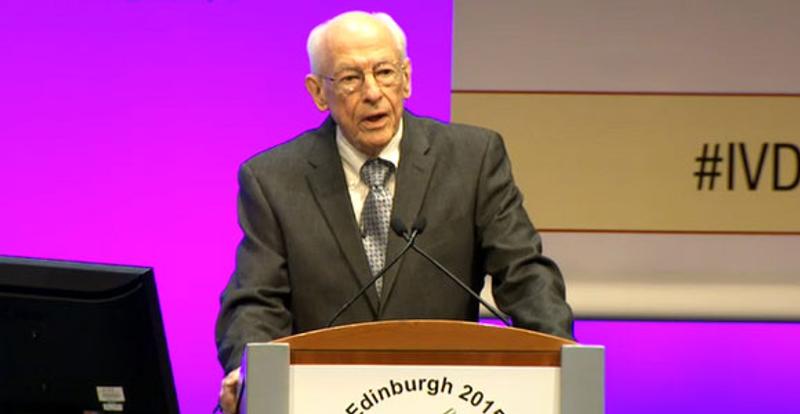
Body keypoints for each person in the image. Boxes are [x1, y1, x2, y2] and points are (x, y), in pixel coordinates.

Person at [214, 11, 573, 413]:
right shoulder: (273, 179)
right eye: (350, 78)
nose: (372, 92)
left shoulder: (472, 160)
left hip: (447, 396)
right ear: (318, 92)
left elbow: (524, 273)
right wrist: (251, 373)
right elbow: (257, 300)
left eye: (384, 72)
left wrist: (562, 361)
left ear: (407, 78)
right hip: (324, 397)